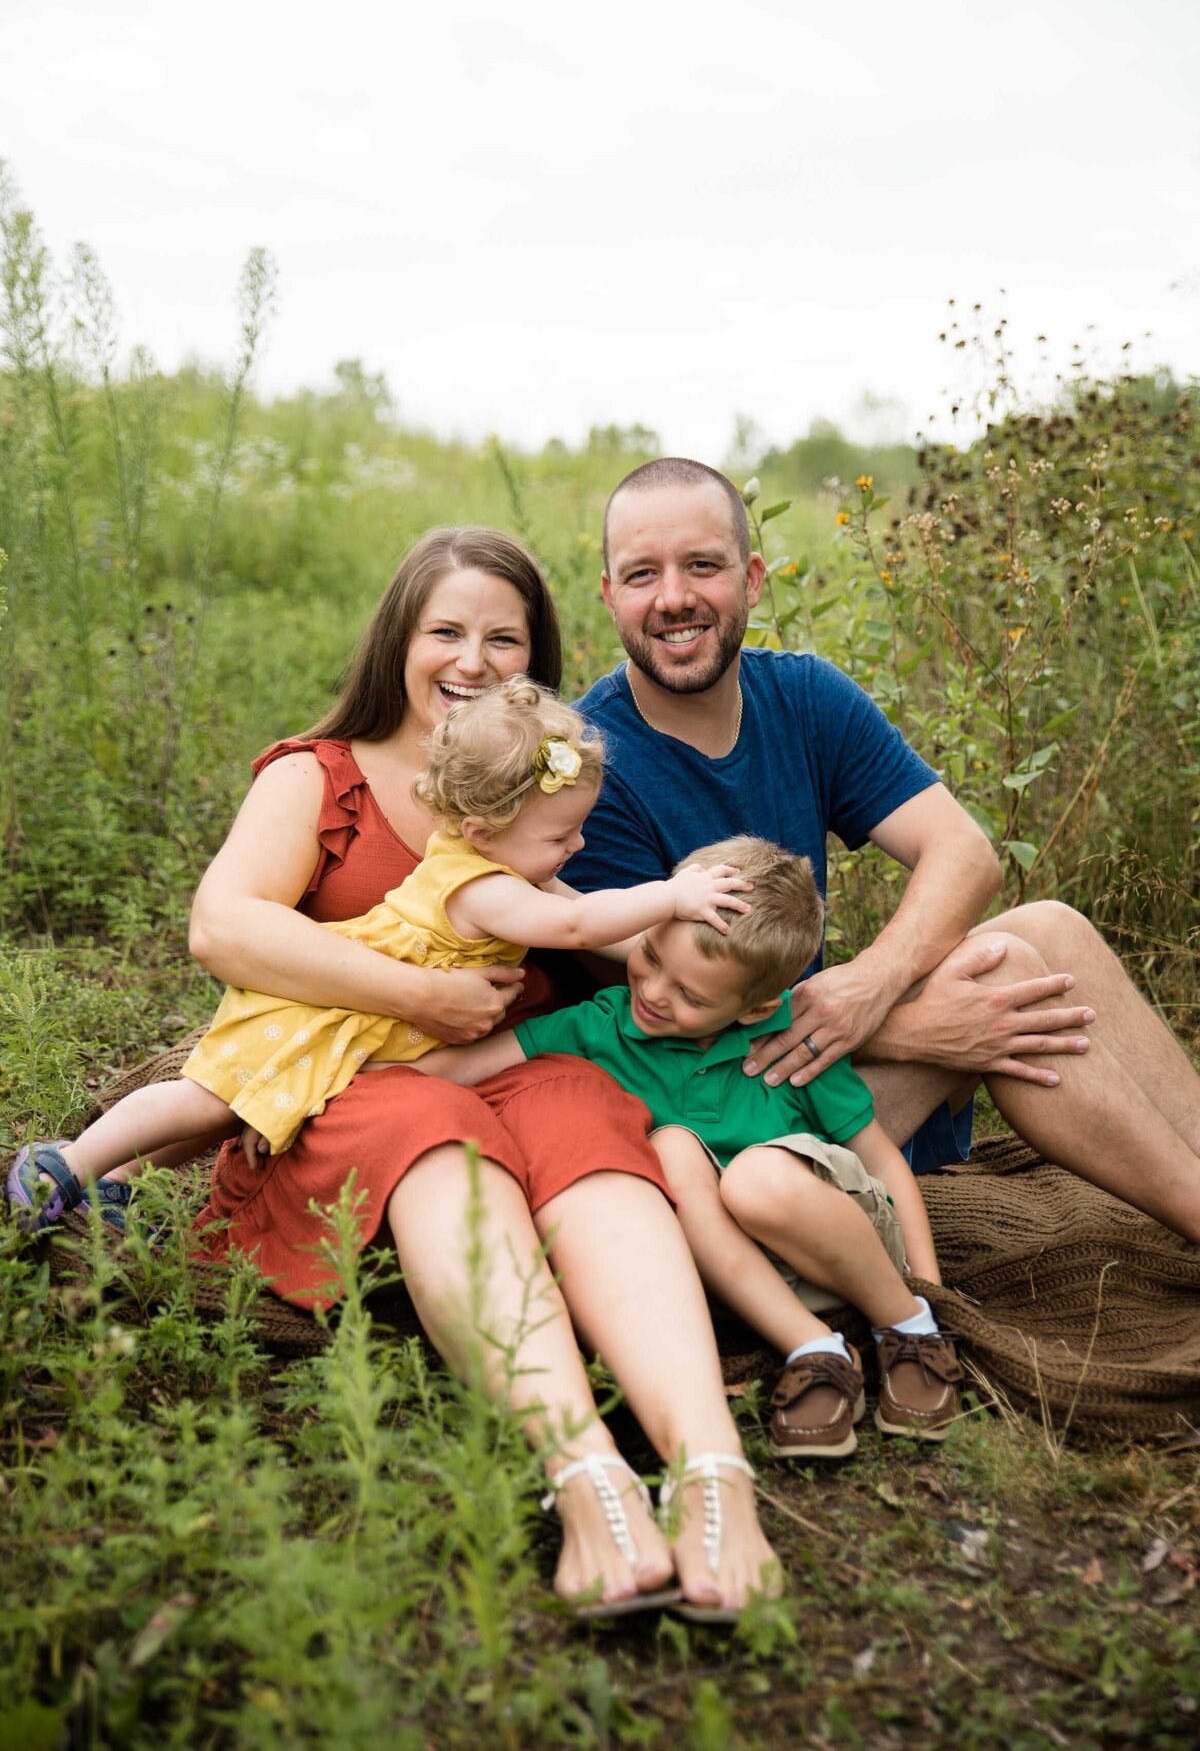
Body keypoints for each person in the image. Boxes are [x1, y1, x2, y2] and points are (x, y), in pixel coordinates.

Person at [49, 527, 784, 1622]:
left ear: (535, 658)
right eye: (447, 630)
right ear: (400, 635)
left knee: (595, 1142)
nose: (473, 659)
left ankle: (717, 1476)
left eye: (505, 636)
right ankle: (588, 1478)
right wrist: (415, 996)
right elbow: (223, 927)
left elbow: (602, 921)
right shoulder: (320, 774)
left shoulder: (553, 774)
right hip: (366, 1071)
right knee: (438, 1144)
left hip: (513, 1059)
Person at [563, 457, 1200, 1242]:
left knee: (1050, 928)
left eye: (703, 565)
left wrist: (874, 985)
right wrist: (913, 1028)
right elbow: (661, 1014)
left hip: (806, 1052)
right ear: (608, 594)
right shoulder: (590, 764)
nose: (674, 598)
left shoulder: (801, 696)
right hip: (720, 1116)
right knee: (1005, 974)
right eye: (641, 574)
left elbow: (965, 852)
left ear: (753, 577)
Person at [7, 678, 747, 1203]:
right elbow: (578, 925)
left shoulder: (490, 860)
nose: (578, 845)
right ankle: (67, 1164)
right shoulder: (487, 890)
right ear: (486, 831)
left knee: (228, 1109)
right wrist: (675, 894)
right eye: (561, 834)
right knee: (204, 1103)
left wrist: (691, 958)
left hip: (360, 1033)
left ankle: (107, 1180)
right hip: (331, 1015)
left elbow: (578, 908)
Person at [417, 834, 965, 1459]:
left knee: (755, 1179)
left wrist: (928, 1290)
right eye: (650, 956)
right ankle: (814, 1348)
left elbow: (881, 1160)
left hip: (838, 1239)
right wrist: (333, 1057)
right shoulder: (598, 1025)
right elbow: (458, 1068)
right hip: (729, 1275)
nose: (651, 994)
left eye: (692, 996)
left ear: (756, 1009)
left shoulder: (790, 1039)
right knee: (672, 1146)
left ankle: (908, 1330)